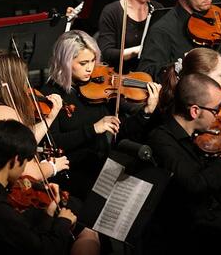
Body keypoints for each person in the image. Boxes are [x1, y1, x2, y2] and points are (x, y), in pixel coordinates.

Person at [41, 30, 161, 199]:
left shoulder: (99, 86)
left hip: (102, 169)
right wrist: (94, 129)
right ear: (65, 62)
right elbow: (53, 143)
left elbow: (121, 130)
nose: (90, 68)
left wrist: (146, 112)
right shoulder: (51, 94)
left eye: (92, 61)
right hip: (71, 175)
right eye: (83, 63)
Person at [143, 73, 221, 252]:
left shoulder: (196, 137)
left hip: (210, 221)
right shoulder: (161, 140)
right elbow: (195, 185)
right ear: (195, 111)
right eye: (215, 110)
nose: (219, 117)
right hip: (187, 234)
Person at [0, 120, 76, 255]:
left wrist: (48, 214)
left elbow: (31, 241)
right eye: (25, 163)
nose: (24, 169)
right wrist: (63, 223)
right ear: (16, 160)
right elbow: (44, 250)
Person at [0, 49, 69, 180]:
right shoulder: (2, 113)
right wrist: (52, 167)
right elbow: (24, 171)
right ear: (13, 81)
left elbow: (23, 141)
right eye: (23, 78)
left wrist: (49, 119)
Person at [97, 0, 162, 73]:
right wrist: (138, 50)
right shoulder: (112, 12)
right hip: (122, 77)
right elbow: (106, 53)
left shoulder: (157, 8)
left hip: (152, 74)